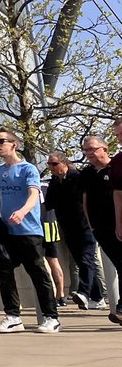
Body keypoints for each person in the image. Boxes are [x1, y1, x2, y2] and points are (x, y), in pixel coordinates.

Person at [0, 128, 59, 334]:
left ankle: (51, 317)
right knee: (4, 271)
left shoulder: (28, 169)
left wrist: (22, 211)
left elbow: (34, 194)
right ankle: (13, 317)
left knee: (38, 273)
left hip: (29, 230)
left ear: (13, 144)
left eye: (1, 141)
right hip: (7, 233)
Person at [45, 150, 106, 309]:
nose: (51, 167)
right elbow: (49, 204)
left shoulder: (77, 177)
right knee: (81, 260)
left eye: (54, 164)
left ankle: (84, 292)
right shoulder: (54, 182)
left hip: (85, 225)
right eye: (49, 164)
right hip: (68, 227)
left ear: (64, 163)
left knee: (87, 259)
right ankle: (97, 296)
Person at [81, 133, 122, 322]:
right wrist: (92, 225)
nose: (88, 153)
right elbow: (85, 199)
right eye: (85, 150)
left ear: (104, 149)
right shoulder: (87, 174)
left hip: (119, 225)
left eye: (92, 149)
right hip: (101, 229)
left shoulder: (115, 167)